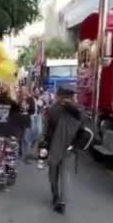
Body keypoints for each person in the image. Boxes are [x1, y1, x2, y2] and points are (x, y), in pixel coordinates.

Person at [41, 85, 82, 214]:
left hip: (54, 146)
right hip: (69, 148)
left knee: (53, 173)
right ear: (72, 96)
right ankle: (63, 201)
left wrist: (43, 146)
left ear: (59, 95)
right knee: (64, 174)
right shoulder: (78, 110)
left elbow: (46, 131)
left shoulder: (53, 110)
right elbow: (81, 129)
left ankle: (55, 197)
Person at [0, 86, 22, 192]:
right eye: (1, 83)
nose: (3, 85)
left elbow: (19, 106)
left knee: (10, 158)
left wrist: (12, 92)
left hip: (11, 134)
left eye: (5, 84)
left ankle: (11, 173)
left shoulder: (14, 101)